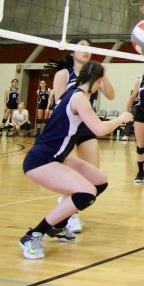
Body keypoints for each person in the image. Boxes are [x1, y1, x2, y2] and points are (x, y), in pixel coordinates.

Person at [18, 61, 132, 259]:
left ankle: (60, 225)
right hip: (42, 160)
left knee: (99, 181)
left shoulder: (75, 92)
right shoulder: (79, 98)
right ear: (98, 81)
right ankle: (34, 235)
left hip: (57, 157)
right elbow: (99, 130)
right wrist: (121, 119)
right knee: (86, 193)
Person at [50, 38, 116, 233]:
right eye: (82, 47)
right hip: (67, 128)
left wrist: (104, 75)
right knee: (69, 174)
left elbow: (111, 96)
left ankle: (66, 204)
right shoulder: (63, 74)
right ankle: (71, 216)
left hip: (87, 126)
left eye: (89, 48)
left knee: (92, 175)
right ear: (72, 52)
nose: (87, 51)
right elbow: (59, 104)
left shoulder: (93, 74)